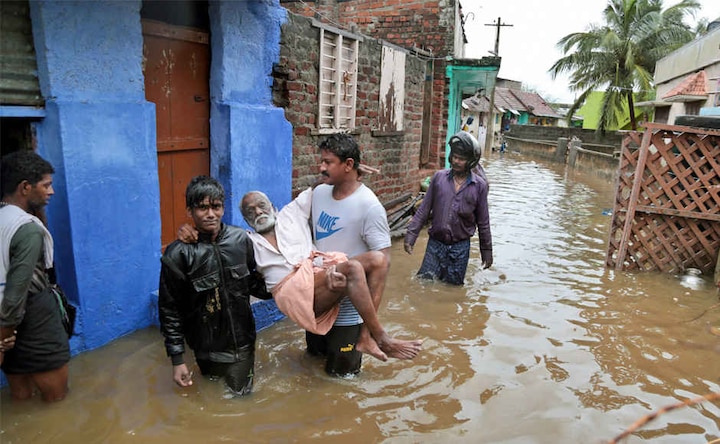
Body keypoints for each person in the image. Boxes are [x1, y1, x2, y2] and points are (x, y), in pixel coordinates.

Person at [239, 188, 422, 362]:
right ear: (246, 219)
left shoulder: (291, 213)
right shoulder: (247, 241)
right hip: (291, 291)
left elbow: (319, 183)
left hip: (316, 274)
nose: (257, 211)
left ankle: (366, 336)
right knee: (352, 269)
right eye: (250, 211)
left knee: (378, 259)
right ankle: (381, 338)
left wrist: (348, 169)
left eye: (261, 205)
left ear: (272, 206)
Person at [158, 175, 270, 396]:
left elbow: (254, 284)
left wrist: (287, 286)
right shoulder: (179, 254)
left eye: (216, 207)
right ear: (190, 211)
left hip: (242, 346)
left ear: (223, 208)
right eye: (202, 208)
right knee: (211, 395)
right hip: (204, 350)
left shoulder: (240, 240)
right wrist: (178, 359)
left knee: (240, 401)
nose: (210, 214)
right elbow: (169, 309)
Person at [308, 133, 405, 377]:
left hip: (349, 314)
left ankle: (368, 338)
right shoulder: (318, 193)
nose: (322, 167)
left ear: (348, 165)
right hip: (319, 304)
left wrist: (365, 329)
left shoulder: (369, 206)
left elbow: (382, 265)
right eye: (322, 161)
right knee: (311, 366)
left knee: (342, 381)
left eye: (328, 162)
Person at [0, 150, 70, 402]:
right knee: (57, 402)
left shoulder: (4, 218)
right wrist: (3, 337)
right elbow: (16, 290)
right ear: (25, 187)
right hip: (31, 319)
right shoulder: (27, 231)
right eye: (46, 185)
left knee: (20, 398)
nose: (51, 192)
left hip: (8, 325)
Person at [404, 130, 493, 285]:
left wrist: (486, 252)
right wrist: (411, 236)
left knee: (453, 290)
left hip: (460, 249)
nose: (456, 161)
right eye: (454, 157)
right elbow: (424, 210)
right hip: (435, 245)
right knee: (423, 285)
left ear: (471, 161)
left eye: (462, 159)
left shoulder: (480, 186)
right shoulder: (439, 178)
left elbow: (483, 223)